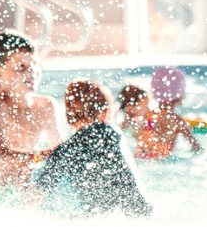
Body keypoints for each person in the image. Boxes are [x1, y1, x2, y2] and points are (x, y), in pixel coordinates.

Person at [29, 80, 153, 217]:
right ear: (104, 114)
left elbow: (38, 193)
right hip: (133, 210)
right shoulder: (112, 135)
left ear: (70, 118)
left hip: (94, 214)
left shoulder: (65, 150)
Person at [0, 33, 65, 196]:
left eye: (34, 63)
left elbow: (60, 149)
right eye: (21, 67)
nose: (32, 71)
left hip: (23, 194)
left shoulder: (46, 106)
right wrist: (44, 155)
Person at [133, 67, 202, 160]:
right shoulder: (177, 121)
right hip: (160, 161)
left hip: (138, 157)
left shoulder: (147, 115)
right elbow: (196, 147)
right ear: (180, 94)